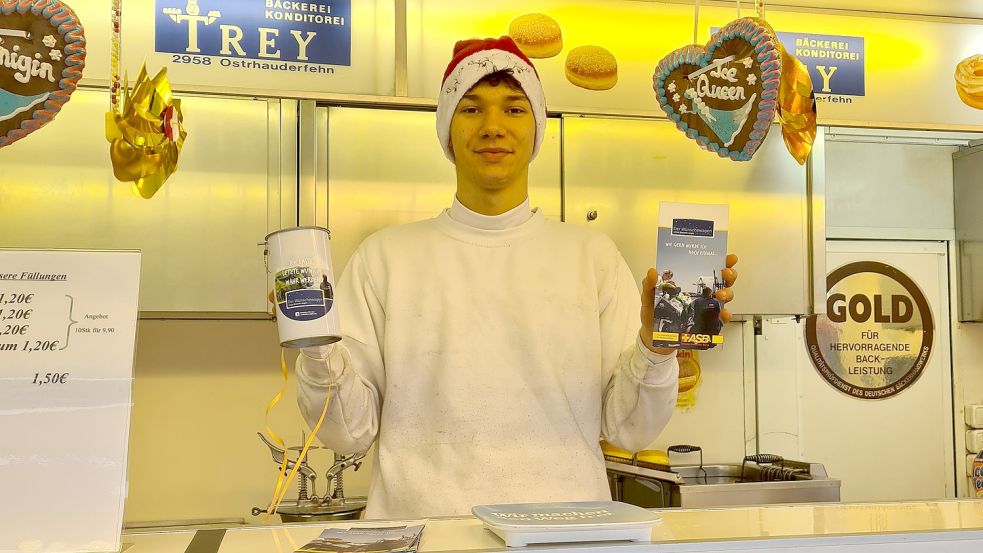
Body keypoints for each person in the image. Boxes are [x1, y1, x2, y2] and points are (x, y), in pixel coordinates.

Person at [295, 36, 737, 519]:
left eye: (513, 109)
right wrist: (315, 344)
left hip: (565, 536)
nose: (492, 127)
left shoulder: (591, 257)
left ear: (536, 128)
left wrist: (657, 346)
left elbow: (628, 430)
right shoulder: (384, 258)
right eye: (470, 110)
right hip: (427, 535)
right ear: (446, 130)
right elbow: (346, 432)